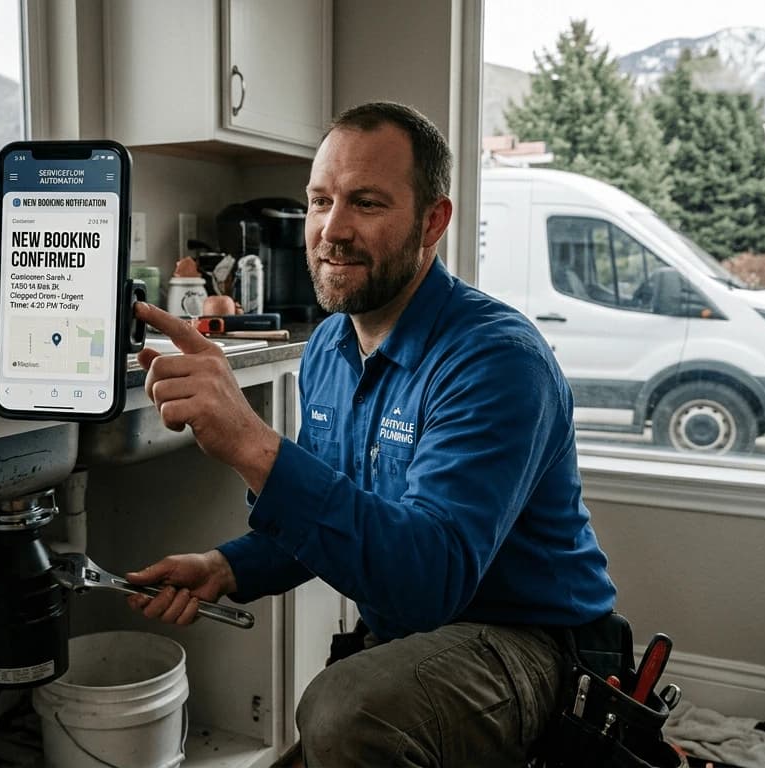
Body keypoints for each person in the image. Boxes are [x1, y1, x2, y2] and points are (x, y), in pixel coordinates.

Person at [126, 101, 617, 767]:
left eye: (366, 203)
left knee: (345, 711)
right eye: (320, 201)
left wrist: (251, 443)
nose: (332, 229)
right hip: (412, 635)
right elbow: (336, 514)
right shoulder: (330, 347)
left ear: (432, 221)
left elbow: (429, 579)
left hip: (531, 641)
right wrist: (227, 567)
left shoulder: (496, 359)